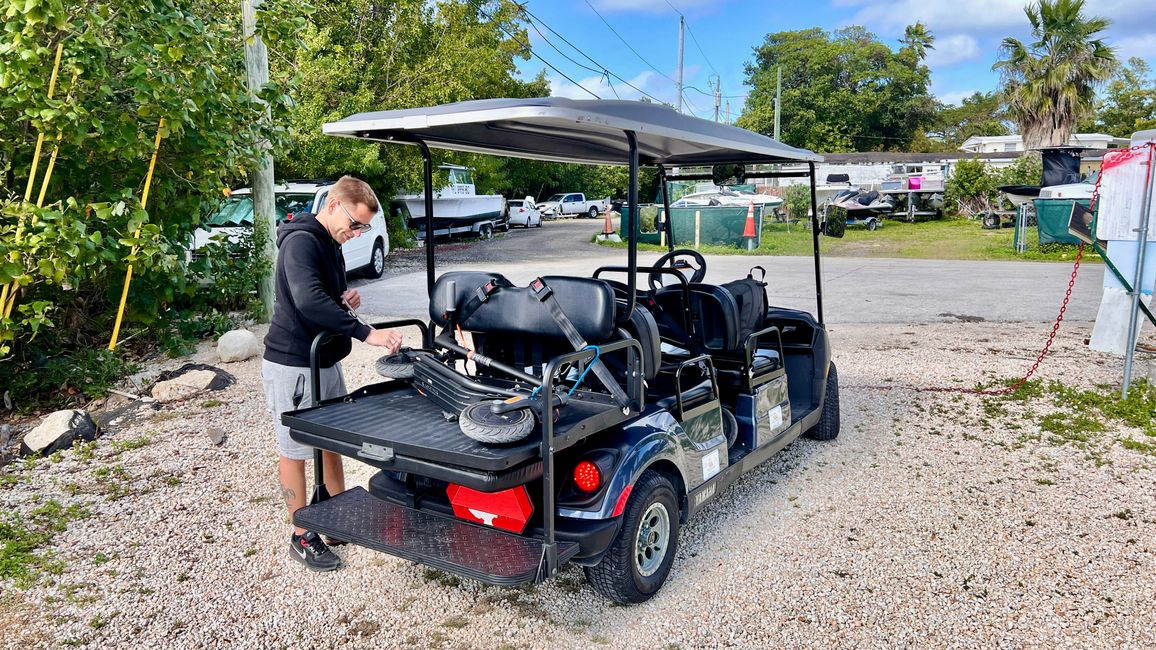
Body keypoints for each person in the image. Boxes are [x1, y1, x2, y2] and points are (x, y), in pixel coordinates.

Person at [261, 175, 402, 571]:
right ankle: (300, 531)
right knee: (295, 448)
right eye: (354, 224)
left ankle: (338, 517)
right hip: (293, 362)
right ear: (335, 205)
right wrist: (366, 332)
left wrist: (345, 299)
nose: (356, 233)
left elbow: (326, 296)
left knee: (331, 440)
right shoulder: (301, 242)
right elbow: (308, 302)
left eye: (363, 228)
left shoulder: (330, 244)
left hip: (324, 358)